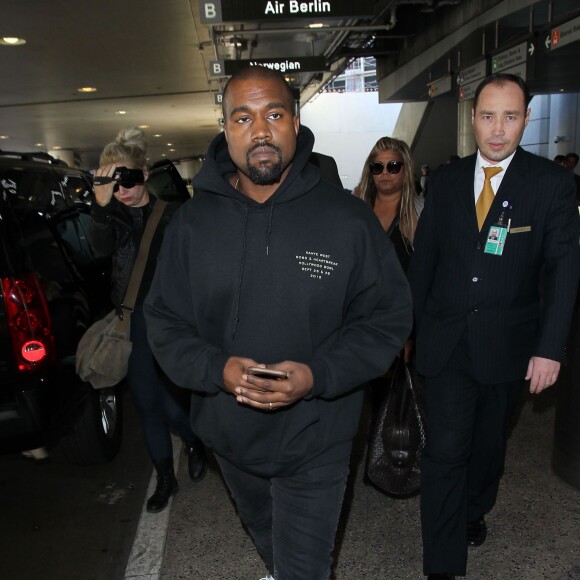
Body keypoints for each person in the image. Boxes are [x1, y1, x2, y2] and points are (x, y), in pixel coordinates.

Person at [144, 66, 412, 580]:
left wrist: (318, 375)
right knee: (266, 534)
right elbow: (164, 320)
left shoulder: (347, 219)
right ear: (225, 129)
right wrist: (216, 368)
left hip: (319, 435)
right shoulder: (192, 226)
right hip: (230, 435)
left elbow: (387, 318)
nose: (260, 131)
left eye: (273, 114)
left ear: (294, 122)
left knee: (304, 568)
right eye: (243, 118)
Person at [407, 73, 580, 579]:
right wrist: (405, 330)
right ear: (473, 119)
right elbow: (426, 262)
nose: (498, 129)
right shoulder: (443, 181)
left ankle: (474, 507)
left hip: (509, 346)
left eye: (510, 116)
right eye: (488, 116)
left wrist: (551, 349)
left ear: (526, 119)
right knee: (444, 452)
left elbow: (564, 270)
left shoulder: (551, 185)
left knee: (486, 449)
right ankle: (442, 566)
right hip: (447, 342)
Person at [90, 127, 207, 513]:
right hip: (131, 326)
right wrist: (102, 205)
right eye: (113, 180)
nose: (122, 187)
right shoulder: (112, 218)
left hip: (170, 323)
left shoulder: (174, 213)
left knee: (175, 405)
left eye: (127, 176)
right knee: (147, 405)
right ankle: (165, 479)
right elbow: (99, 249)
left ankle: (193, 440)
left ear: (144, 173)